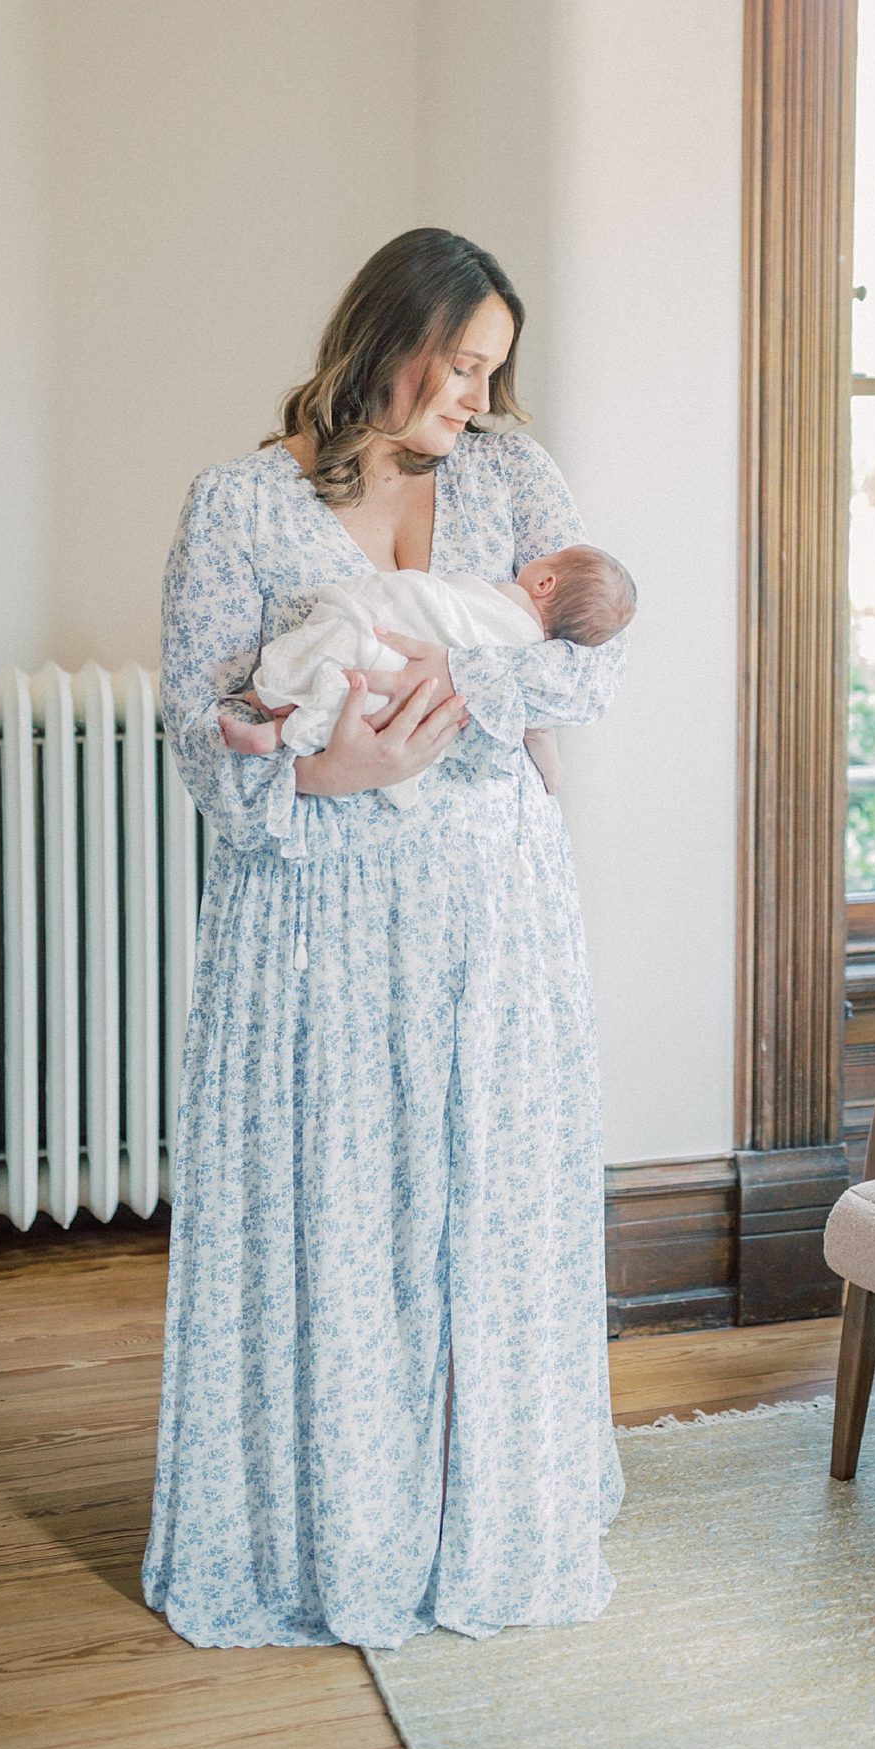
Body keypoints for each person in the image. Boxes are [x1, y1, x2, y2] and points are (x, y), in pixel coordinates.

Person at [141, 227, 630, 1651]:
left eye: (492, 372)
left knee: (484, 1209)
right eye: (460, 364)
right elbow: (190, 716)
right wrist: (322, 772)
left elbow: (589, 674)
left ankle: (485, 1516)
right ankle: (333, 1535)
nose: (475, 397)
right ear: (385, 338)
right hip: (316, 920)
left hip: (495, 913)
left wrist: (459, 687)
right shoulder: (237, 505)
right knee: (338, 1222)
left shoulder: (514, 480)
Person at [218, 542, 637, 807]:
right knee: (361, 708)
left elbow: (442, 600)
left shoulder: (510, 596)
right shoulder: (533, 661)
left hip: (403, 648)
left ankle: (273, 701)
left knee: (351, 668)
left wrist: (457, 665)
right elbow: (538, 730)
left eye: (542, 561)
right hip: (421, 700)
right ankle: (276, 733)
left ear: (545, 582)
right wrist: (553, 771)